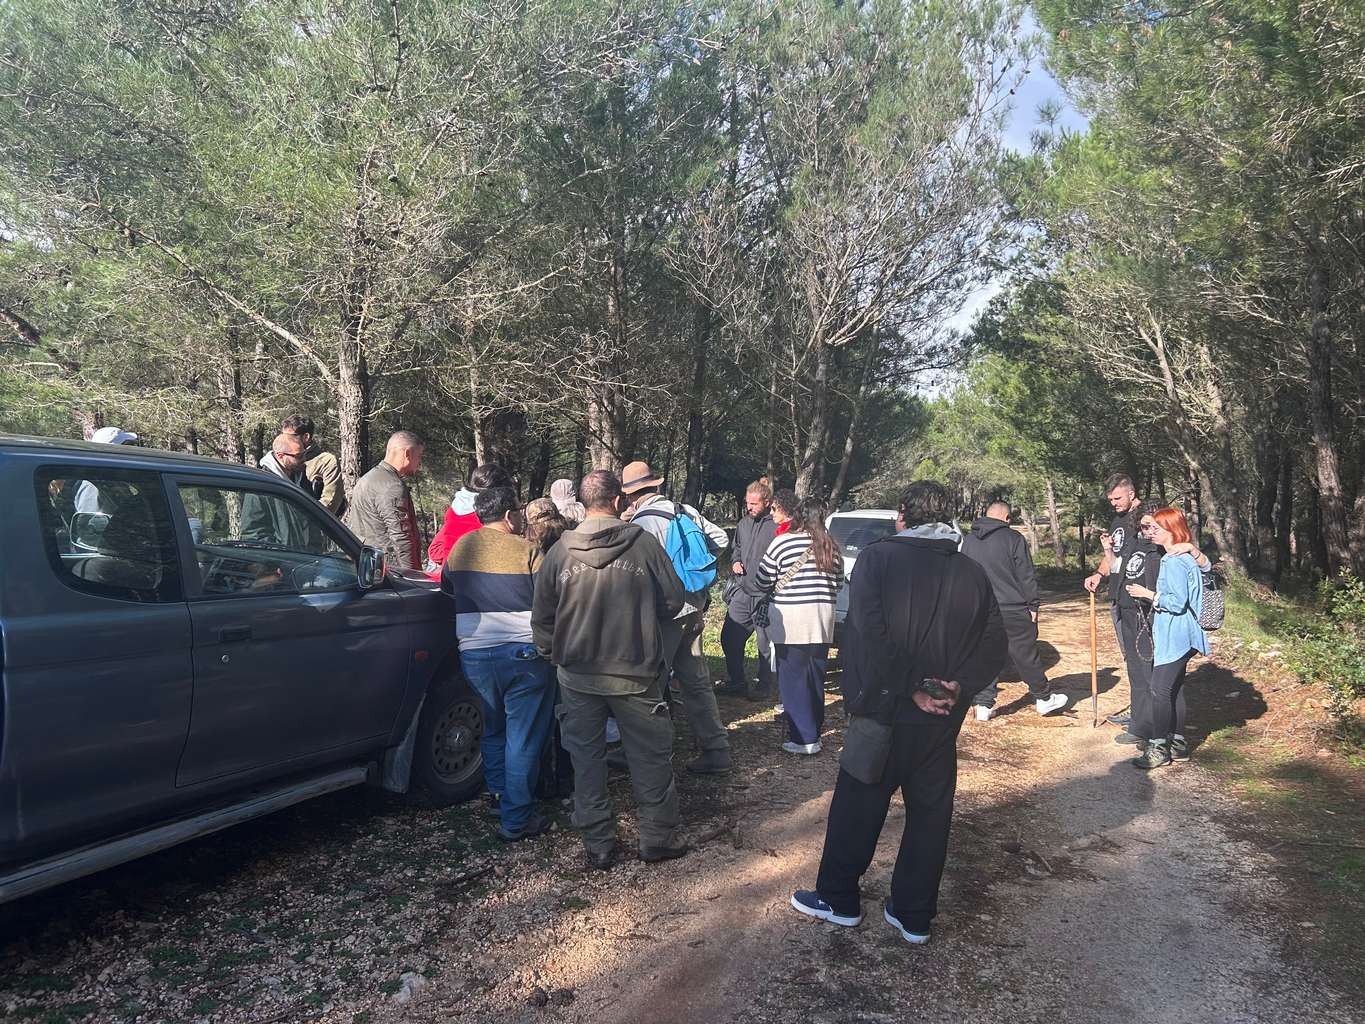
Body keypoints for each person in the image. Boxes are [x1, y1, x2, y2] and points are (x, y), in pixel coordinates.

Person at [792, 481, 1007, 944]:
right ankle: (914, 914)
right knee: (930, 813)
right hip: (940, 716)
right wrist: (958, 685)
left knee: (857, 806)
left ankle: (838, 899)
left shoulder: (877, 558)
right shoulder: (972, 571)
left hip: (884, 708)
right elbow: (994, 645)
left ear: (902, 515)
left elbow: (869, 634)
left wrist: (914, 688)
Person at [531, 470, 689, 871]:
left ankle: (598, 842)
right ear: (618, 501)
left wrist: (551, 653)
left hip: (577, 674)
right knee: (650, 756)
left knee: (586, 759)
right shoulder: (644, 545)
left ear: (583, 504)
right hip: (635, 670)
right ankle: (657, 837)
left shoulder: (559, 553)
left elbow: (542, 616)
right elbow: (673, 601)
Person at [443, 485, 556, 840]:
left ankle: (498, 798)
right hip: (523, 655)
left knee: (492, 730)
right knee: (522, 738)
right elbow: (549, 601)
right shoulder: (528, 550)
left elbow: (447, 588)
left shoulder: (460, 548)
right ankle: (517, 818)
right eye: (519, 511)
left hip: (475, 656)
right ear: (509, 516)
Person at [620, 460, 733, 775]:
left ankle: (646, 754)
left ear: (630, 495)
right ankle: (716, 749)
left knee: (650, 684)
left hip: (663, 614)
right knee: (696, 681)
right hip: (694, 605)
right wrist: (693, 568)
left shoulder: (642, 524)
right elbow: (721, 540)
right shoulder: (684, 510)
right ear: (656, 485)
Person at [748, 491, 843, 754]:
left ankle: (804, 739)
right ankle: (814, 730)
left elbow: (763, 580)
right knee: (814, 677)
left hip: (791, 621)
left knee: (792, 679)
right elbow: (838, 584)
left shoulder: (783, 543)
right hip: (822, 620)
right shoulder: (831, 546)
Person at [961, 501, 1068, 720]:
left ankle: (983, 705)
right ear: (1007, 518)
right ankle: (1044, 698)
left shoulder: (968, 541)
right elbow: (1025, 576)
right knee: (1025, 655)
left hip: (980, 608)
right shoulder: (1013, 539)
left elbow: (963, 574)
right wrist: (1033, 605)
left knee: (986, 655)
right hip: (1012, 608)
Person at [1123, 507, 1210, 769]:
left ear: (1171, 529)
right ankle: (1178, 744)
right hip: (1186, 634)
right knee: (1174, 688)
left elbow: (1177, 602)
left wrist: (1147, 594)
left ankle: (1159, 747)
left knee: (1159, 690)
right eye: (1148, 528)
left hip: (1175, 634)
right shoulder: (1185, 557)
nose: (1150, 532)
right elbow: (1206, 569)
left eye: (1155, 528)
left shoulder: (1173, 561)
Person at [1083, 473, 1161, 747]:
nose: (1114, 503)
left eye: (1117, 498)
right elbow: (1118, 559)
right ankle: (1139, 714)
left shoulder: (1148, 520)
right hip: (1121, 598)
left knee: (1145, 662)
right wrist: (1099, 573)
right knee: (1132, 660)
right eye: (1110, 499)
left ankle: (1149, 723)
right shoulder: (1118, 521)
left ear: (1131, 493)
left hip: (1143, 605)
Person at [719, 479, 779, 700]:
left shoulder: (777, 526)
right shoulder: (743, 524)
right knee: (729, 637)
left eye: (754, 504)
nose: (749, 507)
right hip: (743, 592)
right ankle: (737, 682)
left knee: (765, 644)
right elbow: (737, 548)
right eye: (747, 503)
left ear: (767, 502)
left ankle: (764, 685)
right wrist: (735, 561)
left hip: (766, 595)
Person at [345, 430, 424, 571]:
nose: (420, 463)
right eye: (419, 456)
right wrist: (412, 575)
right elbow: (401, 537)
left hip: (366, 562)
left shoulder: (368, 478)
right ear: (407, 454)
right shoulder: (392, 486)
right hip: (387, 569)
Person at [427, 463, 513, 577]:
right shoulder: (487, 515)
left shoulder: (453, 510)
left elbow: (434, 550)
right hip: (476, 577)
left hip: (449, 575)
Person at [242, 432, 321, 548]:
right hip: (282, 557)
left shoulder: (302, 479)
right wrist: (278, 556)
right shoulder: (260, 487)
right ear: (280, 456)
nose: (304, 459)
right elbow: (253, 535)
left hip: (308, 556)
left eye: (304, 454)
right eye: (298, 456)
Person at [280, 414, 344, 515]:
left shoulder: (327, 462)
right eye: (283, 437)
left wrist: (303, 519)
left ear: (306, 437)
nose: (285, 441)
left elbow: (330, 503)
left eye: (290, 437)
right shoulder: (281, 458)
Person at [73, 426, 139, 516]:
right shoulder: (93, 486)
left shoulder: (114, 480)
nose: (132, 450)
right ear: (111, 452)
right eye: (127, 446)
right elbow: (87, 521)